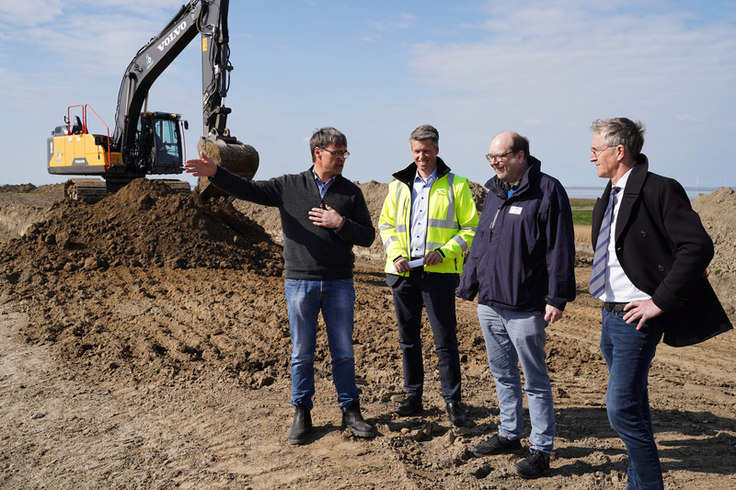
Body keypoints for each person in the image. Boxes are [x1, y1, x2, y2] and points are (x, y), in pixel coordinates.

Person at [184, 127, 376, 445]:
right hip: (300, 283)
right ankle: (302, 412)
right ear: (318, 153)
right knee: (301, 352)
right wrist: (216, 172)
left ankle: (351, 411)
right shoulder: (288, 186)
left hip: (339, 283)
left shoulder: (351, 193)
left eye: (344, 153)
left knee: (343, 352)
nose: (342, 158)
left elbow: (367, 236)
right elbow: (249, 189)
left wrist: (340, 224)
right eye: (336, 152)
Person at [587, 117, 732, 489]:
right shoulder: (610, 194)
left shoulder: (660, 189)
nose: (591, 159)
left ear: (619, 151)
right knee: (633, 406)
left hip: (637, 318)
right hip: (609, 315)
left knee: (620, 412)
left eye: (595, 151)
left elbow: (698, 247)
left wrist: (660, 301)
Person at [457, 131, 576, 479]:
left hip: (525, 304)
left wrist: (557, 297)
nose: (494, 163)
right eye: (490, 158)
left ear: (521, 155)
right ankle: (509, 433)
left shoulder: (548, 190)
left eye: (500, 157)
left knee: (534, 379)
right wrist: (469, 284)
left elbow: (560, 248)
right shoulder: (494, 192)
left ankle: (541, 449)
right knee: (503, 374)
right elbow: (481, 242)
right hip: (490, 303)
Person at [378, 124, 479, 427]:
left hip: (439, 274)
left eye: (426, 151)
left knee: (445, 340)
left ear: (437, 150)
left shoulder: (456, 185)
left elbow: (470, 228)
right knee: (408, 339)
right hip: (403, 274)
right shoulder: (397, 185)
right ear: (412, 151)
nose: (421, 156)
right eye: (416, 151)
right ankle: (413, 396)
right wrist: (396, 255)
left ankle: (453, 401)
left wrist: (446, 252)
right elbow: (386, 224)